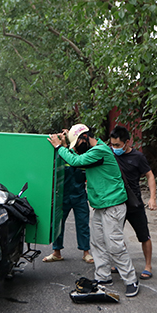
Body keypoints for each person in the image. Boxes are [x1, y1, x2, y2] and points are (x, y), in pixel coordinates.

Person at [47, 124, 139, 297]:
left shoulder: (100, 151)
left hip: (112, 204)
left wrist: (60, 147)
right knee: (97, 243)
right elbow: (77, 160)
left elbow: (76, 161)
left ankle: (131, 279)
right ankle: (103, 277)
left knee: (114, 244)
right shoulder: (92, 152)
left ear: (84, 137)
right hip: (99, 205)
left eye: (77, 143)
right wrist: (68, 146)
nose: (77, 147)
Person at [110, 125, 157, 280]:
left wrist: (152, 198)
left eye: (117, 145)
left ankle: (148, 266)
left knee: (144, 235)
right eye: (112, 144)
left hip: (134, 203)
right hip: (117, 203)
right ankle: (120, 262)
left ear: (127, 142)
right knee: (116, 236)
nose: (114, 148)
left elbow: (150, 176)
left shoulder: (138, 157)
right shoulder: (110, 154)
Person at [43, 164, 92, 263]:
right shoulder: (62, 155)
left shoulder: (83, 156)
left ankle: (86, 252)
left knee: (83, 224)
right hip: (63, 196)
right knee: (59, 224)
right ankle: (57, 252)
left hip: (80, 196)